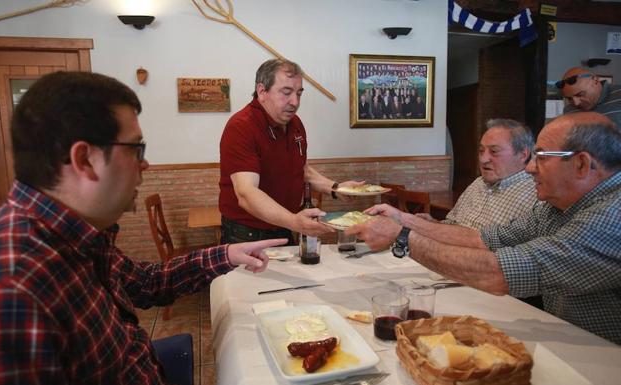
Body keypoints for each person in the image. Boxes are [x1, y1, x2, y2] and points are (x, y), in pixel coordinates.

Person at [0, 71, 287, 383]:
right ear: (84, 159)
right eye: (136, 149)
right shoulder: (15, 289)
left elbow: (148, 283)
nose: (145, 164)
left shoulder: (78, 237)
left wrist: (227, 254)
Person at [348, 112, 621, 345]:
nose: (530, 169)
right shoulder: (554, 206)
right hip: (565, 341)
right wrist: (404, 222)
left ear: (582, 164)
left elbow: (500, 272)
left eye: (541, 157)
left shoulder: (612, 216)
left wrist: (402, 237)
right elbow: (485, 238)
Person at [219, 59, 362, 244]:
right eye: (286, 93)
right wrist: (295, 221)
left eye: (299, 93)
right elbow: (246, 193)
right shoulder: (241, 126)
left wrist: (336, 188)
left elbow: (301, 169)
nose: (295, 102)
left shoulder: (294, 124)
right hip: (246, 234)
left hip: (284, 226)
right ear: (262, 91)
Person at [442, 119, 538, 229]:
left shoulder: (535, 195)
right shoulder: (478, 183)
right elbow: (451, 223)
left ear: (523, 155)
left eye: (494, 151)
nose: (483, 160)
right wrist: (430, 224)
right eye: (481, 151)